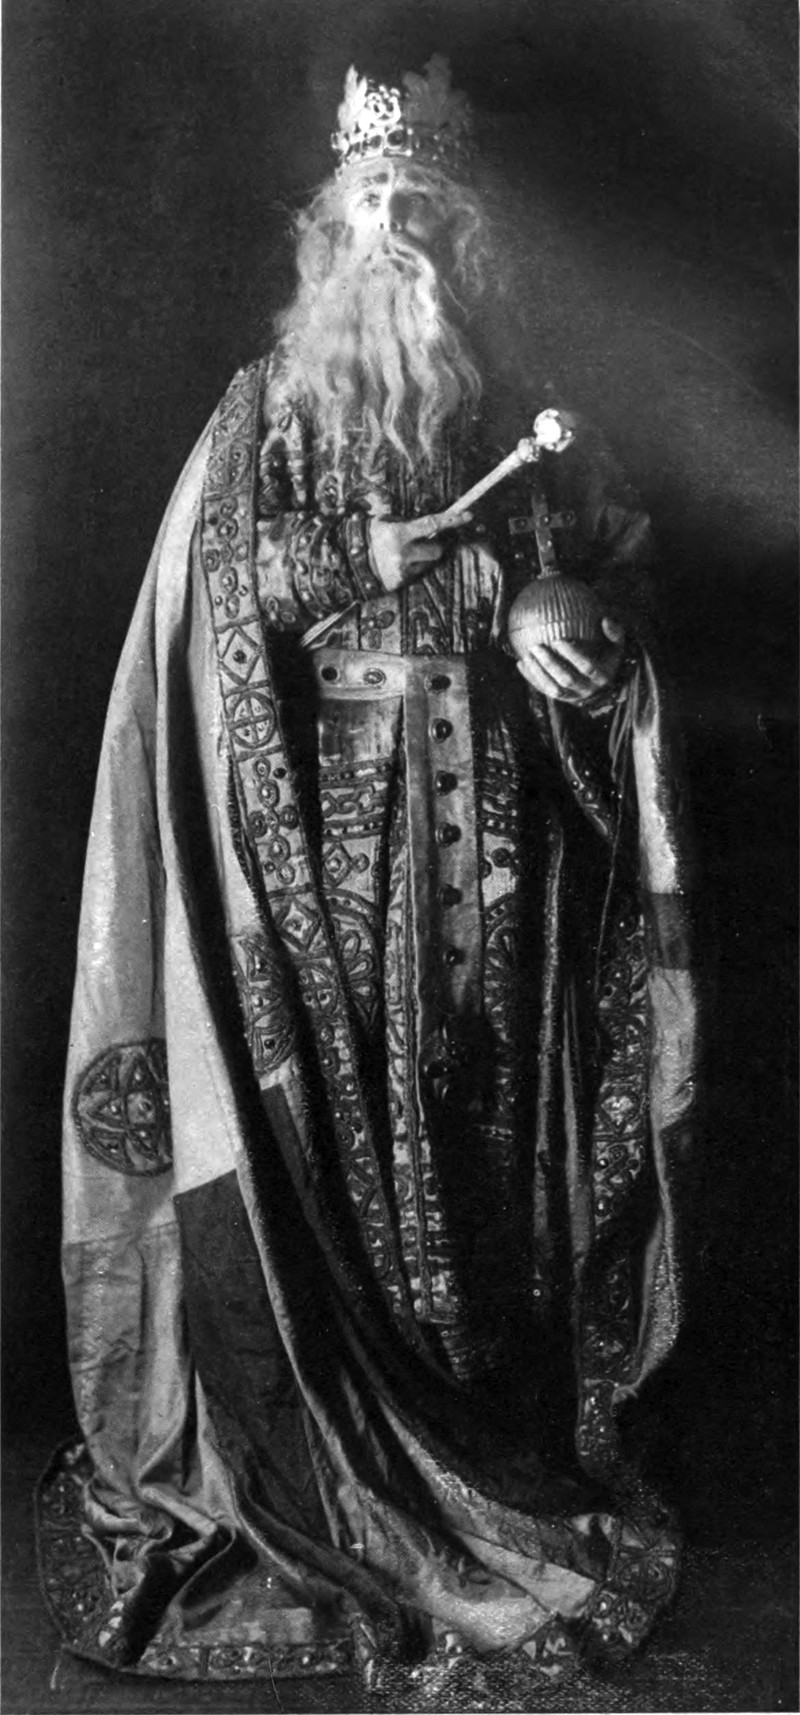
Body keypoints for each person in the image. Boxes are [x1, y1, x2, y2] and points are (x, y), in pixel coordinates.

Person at [41, 56, 699, 1701]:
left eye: (421, 206)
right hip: (314, 867)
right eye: (368, 207)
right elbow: (206, 605)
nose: (394, 230)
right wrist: (356, 556)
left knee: (482, 1139)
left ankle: (482, 1436)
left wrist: (574, 618)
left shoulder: (527, 411)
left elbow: (616, 569)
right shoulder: (264, 408)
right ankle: (343, 1452)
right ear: (325, 237)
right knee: (333, 1155)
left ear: (465, 233)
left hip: (496, 867)